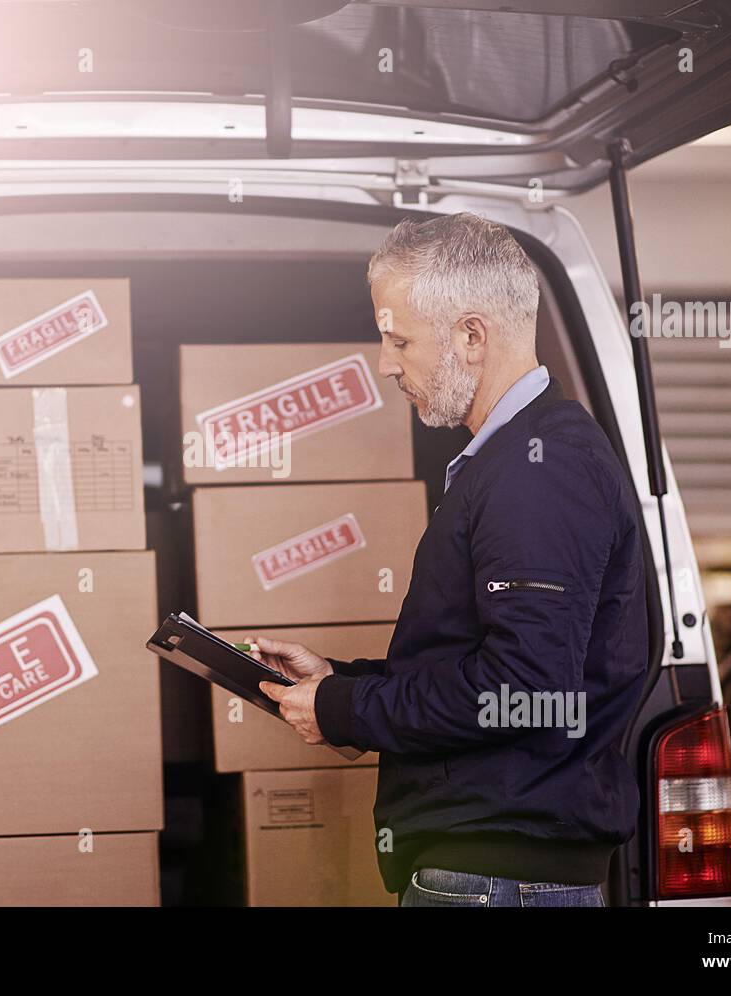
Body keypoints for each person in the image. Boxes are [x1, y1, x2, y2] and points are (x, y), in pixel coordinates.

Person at [247, 213, 648, 908]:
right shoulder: (516, 460)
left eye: (398, 339)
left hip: (499, 879)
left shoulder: (537, 470)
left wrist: (348, 710)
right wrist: (340, 681)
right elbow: (487, 659)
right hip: (498, 872)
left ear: (470, 335)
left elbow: (525, 687)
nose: (385, 363)